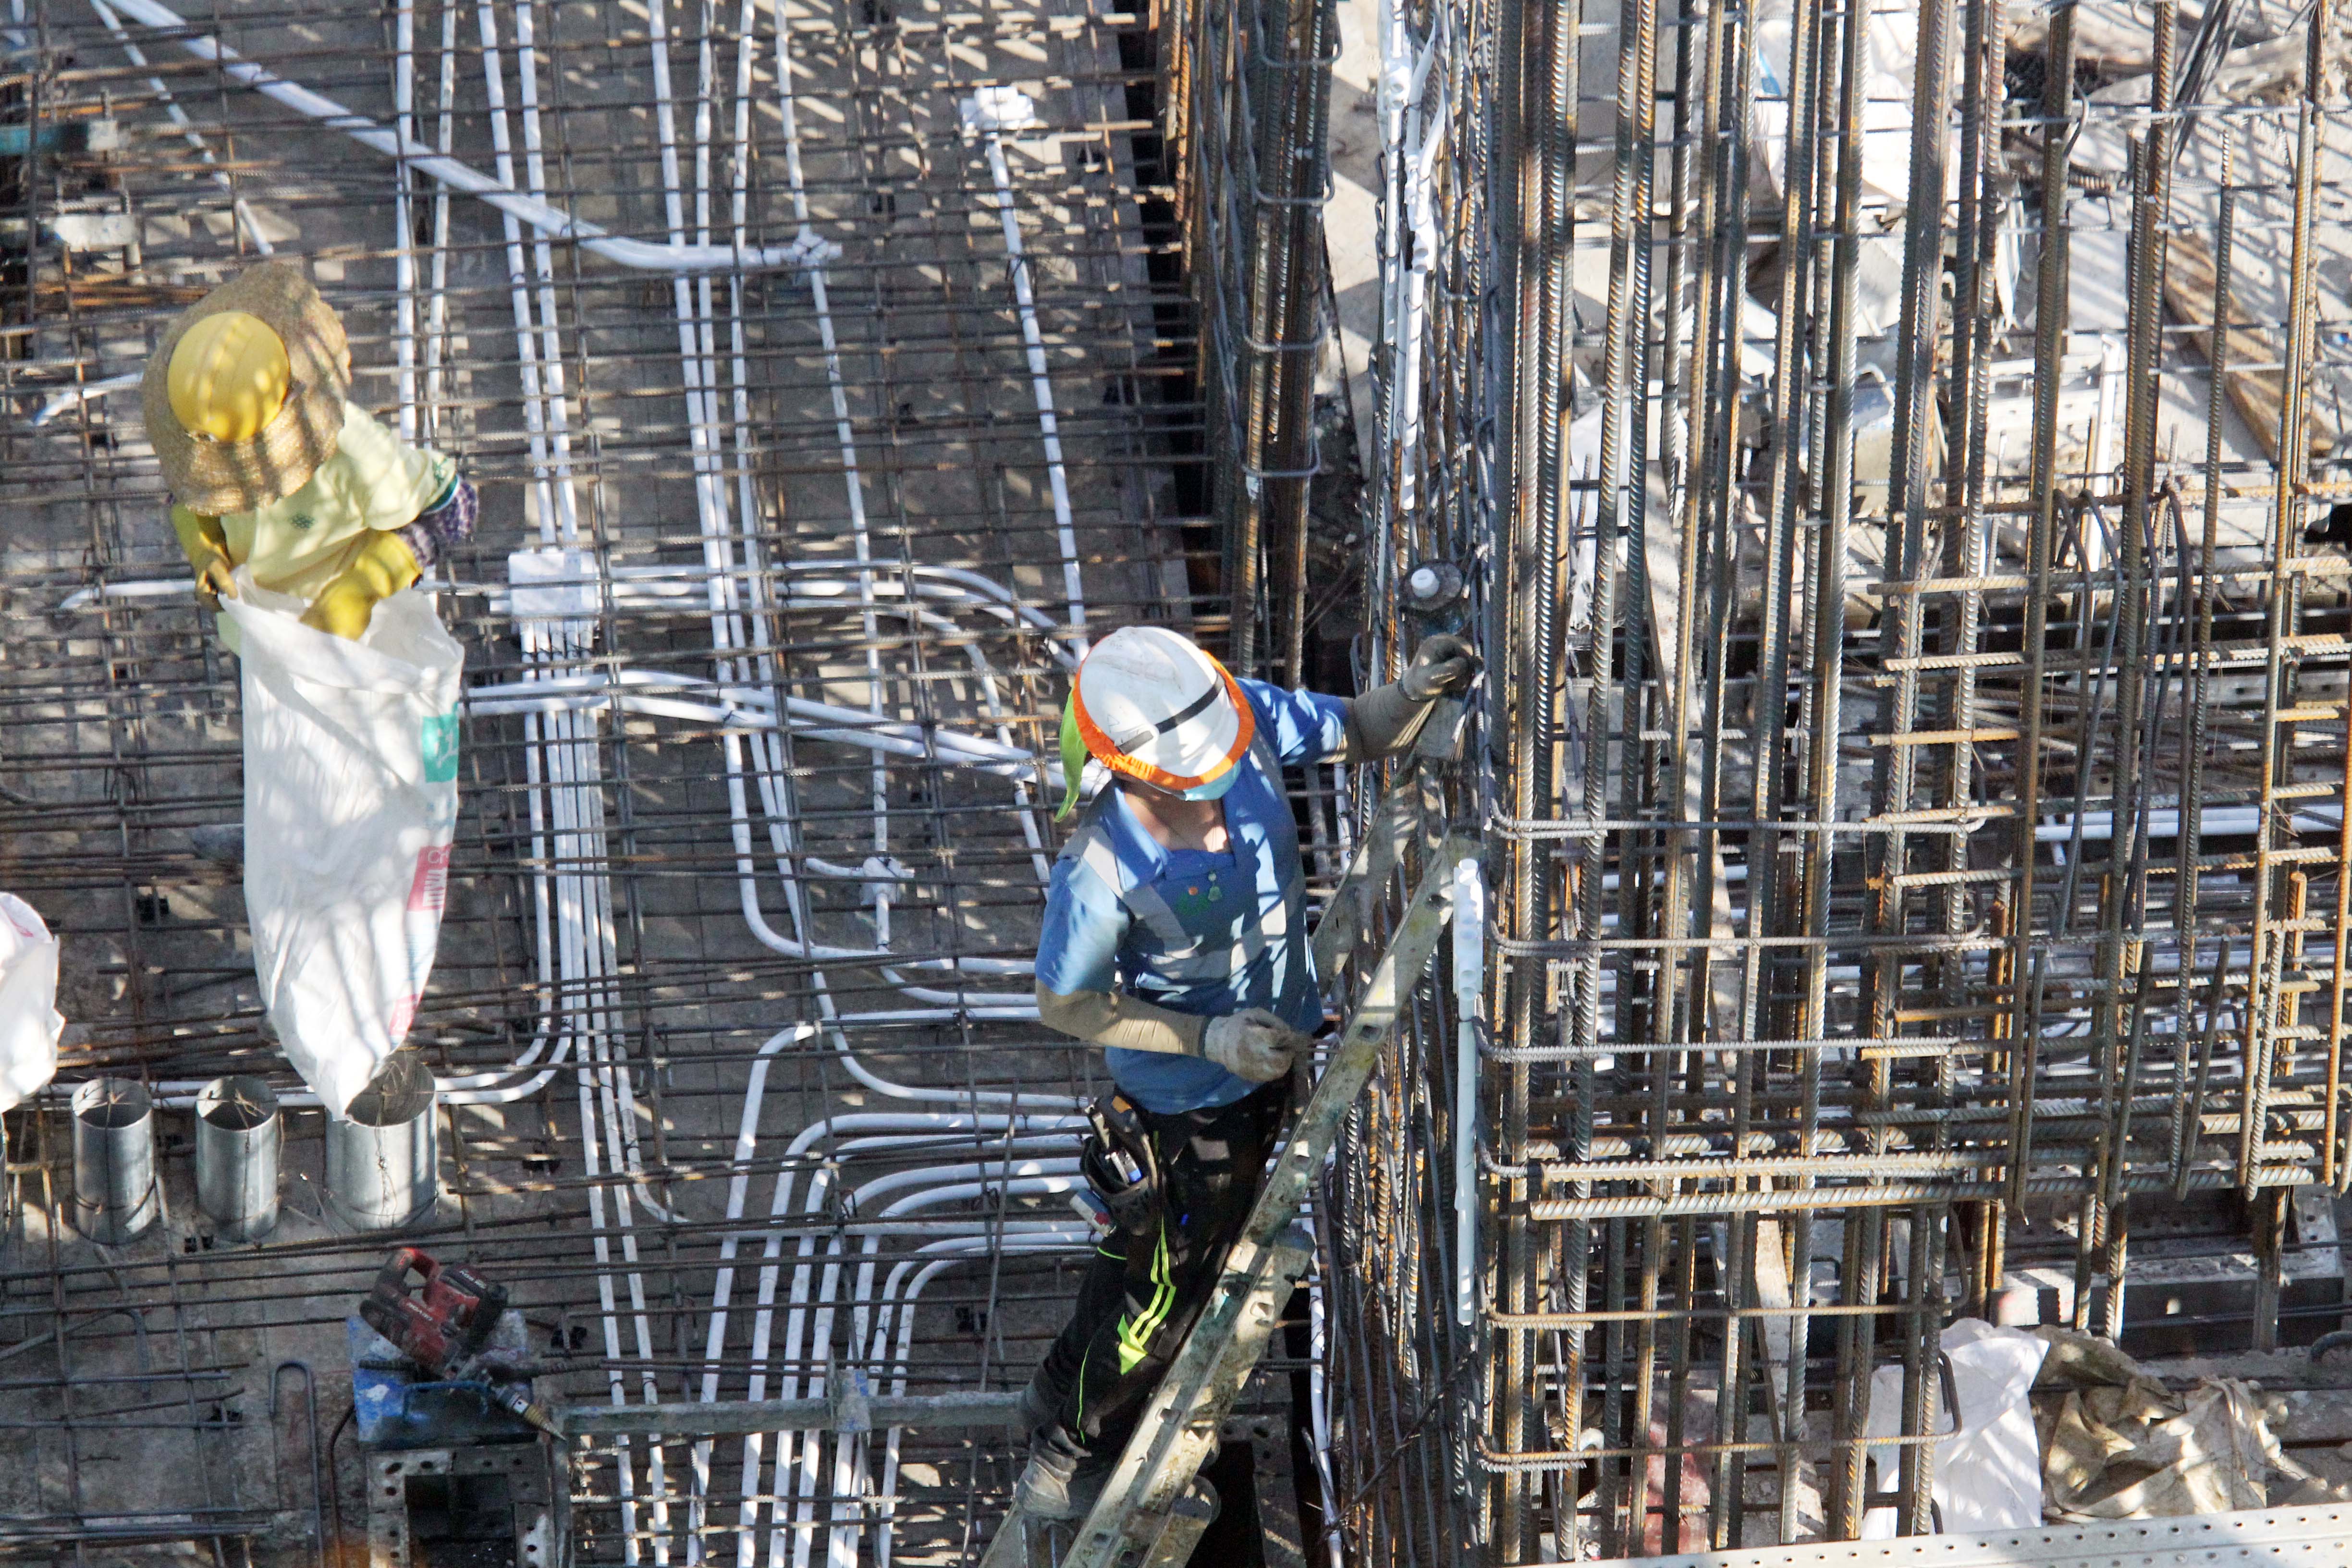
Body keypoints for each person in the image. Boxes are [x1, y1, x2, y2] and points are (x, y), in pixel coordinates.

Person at [1017, 624, 1479, 1517]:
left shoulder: (1229, 716)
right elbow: (1064, 1004)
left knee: (1141, 1268)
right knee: (1161, 1300)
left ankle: (1052, 1389)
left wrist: (1412, 691)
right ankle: (1069, 1458)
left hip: (1266, 1059)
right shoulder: (1103, 865)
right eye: (1202, 782)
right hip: (1183, 1109)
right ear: (1142, 771)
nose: (1228, 783)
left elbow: (1358, 725)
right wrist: (1204, 1039)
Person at [142, 259, 477, 643]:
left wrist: (362, 586)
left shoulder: (356, 454)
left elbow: (457, 506)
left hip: (358, 653)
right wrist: (206, 551)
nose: (218, 469)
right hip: (261, 645)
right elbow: (187, 489)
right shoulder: (197, 424)